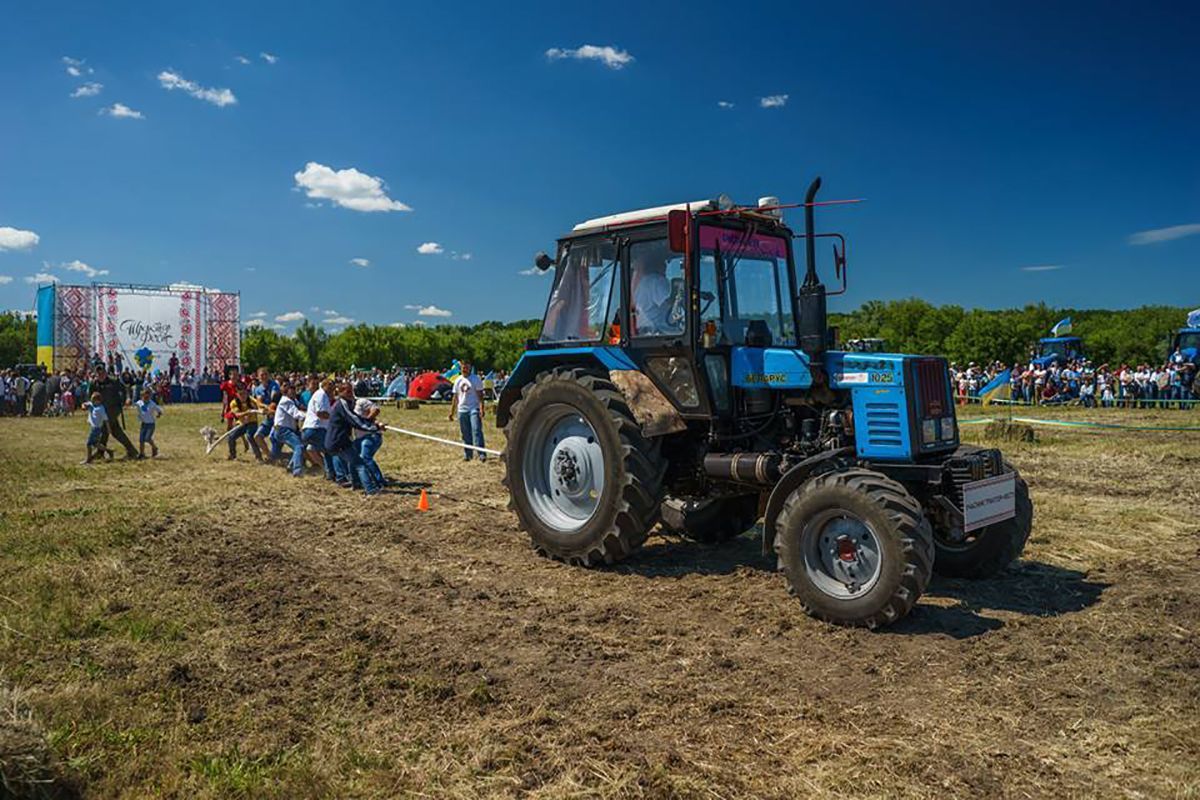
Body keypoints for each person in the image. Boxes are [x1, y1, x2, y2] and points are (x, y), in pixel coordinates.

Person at [326, 381, 381, 496]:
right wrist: (374, 427)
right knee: (360, 464)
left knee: (353, 461)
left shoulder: (345, 403)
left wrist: (371, 423)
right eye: (348, 391)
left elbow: (357, 418)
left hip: (339, 441)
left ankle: (356, 484)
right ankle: (371, 490)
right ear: (341, 392)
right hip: (338, 441)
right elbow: (354, 420)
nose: (351, 393)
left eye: (352, 390)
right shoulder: (341, 404)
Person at [92, 366, 140, 459]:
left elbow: (125, 389)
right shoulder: (94, 383)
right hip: (101, 411)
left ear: (105, 373)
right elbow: (90, 396)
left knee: (108, 429)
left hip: (113, 409)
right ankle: (132, 451)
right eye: (98, 374)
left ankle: (100, 452)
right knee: (112, 431)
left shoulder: (113, 381)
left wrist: (128, 398)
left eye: (102, 373)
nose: (100, 376)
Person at [448, 360, 487, 462]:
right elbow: (455, 397)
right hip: (462, 410)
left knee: (476, 430)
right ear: (460, 368)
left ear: (470, 367)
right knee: (465, 433)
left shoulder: (475, 379)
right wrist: (452, 412)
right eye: (463, 367)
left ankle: (481, 453)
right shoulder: (457, 381)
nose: (465, 369)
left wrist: (482, 408)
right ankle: (468, 454)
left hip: (474, 408)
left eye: (466, 367)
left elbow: (480, 396)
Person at [270, 381, 307, 477]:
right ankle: (297, 470)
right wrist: (309, 416)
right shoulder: (286, 401)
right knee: (299, 446)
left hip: (285, 429)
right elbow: (296, 414)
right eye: (291, 391)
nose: (294, 393)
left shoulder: (293, 400)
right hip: (282, 430)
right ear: (286, 392)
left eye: (294, 391)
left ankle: (290, 466)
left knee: (301, 445)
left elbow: (300, 409)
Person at [302, 377, 335, 479]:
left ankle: (325, 469)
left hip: (311, 429)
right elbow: (320, 413)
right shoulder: (321, 395)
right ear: (323, 386)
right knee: (329, 450)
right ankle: (332, 473)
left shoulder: (321, 395)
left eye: (333, 388)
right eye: (330, 387)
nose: (332, 390)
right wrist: (334, 418)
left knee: (311, 449)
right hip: (316, 428)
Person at [354, 391, 387, 487]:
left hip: (371, 435)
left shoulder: (361, 402)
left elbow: (376, 409)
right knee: (354, 458)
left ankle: (379, 481)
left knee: (365, 457)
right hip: (359, 437)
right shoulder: (346, 406)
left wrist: (367, 421)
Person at [226, 386, 263, 461]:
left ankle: (259, 457)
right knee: (230, 437)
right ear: (237, 394)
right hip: (241, 424)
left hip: (252, 422)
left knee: (250, 436)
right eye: (241, 394)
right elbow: (237, 414)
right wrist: (246, 413)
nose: (243, 396)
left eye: (245, 393)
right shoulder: (234, 403)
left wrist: (263, 408)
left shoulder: (251, 400)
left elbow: (259, 405)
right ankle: (233, 455)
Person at [83, 391, 113, 463]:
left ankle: (88, 459)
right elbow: (85, 404)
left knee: (88, 444)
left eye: (94, 400)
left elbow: (106, 419)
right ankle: (109, 451)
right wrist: (84, 406)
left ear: (98, 401)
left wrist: (109, 429)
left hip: (96, 428)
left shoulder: (100, 409)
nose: (92, 402)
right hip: (94, 427)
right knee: (95, 444)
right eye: (92, 400)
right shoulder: (92, 405)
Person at [135, 387, 163, 458]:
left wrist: (158, 414)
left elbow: (159, 410)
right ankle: (142, 453)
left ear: (150, 396)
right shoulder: (139, 403)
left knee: (147, 438)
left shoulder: (152, 404)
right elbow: (134, 405)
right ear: (142, 396)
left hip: (151, 424)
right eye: (144, 396)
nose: (146, 398)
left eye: (147, 396)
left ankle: (154, 448)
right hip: (143, 424)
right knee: (141, 440)